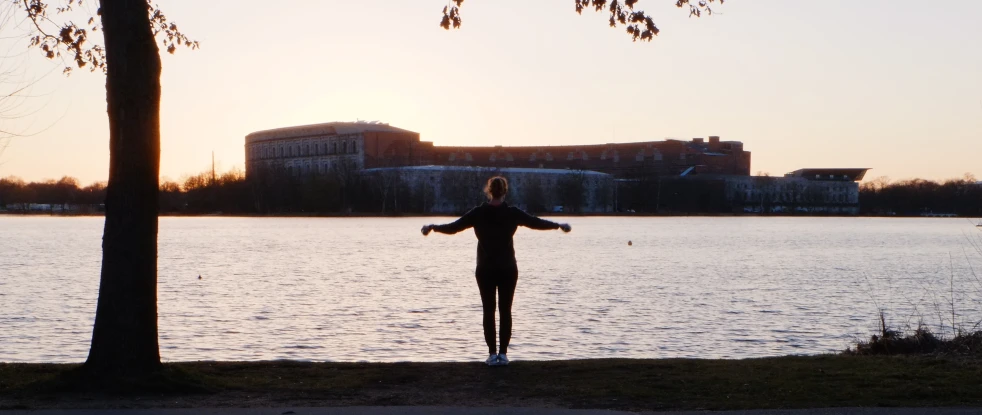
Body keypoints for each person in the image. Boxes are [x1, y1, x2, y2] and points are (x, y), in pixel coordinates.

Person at [421, 176, 571, 366]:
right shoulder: (512, 213)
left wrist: (432, 227)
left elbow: (454, 228)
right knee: (505, 311)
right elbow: (536, 222)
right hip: (508, 268)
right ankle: (504, 354)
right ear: (505, 191)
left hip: (485, 269)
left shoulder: (478, 213)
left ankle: (492, 355)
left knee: (488, 311)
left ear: (489, 191)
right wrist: (558, 226)